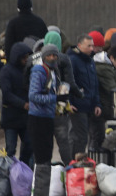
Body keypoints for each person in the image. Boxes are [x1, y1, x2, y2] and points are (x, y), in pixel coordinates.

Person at [41, 31, 82, 164]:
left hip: (41, 108)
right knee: (63, 141)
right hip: (60, 106)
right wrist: (79, 94)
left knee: (43, 142)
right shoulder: (63, 59)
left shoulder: (36, 60)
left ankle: (41, 169)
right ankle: (69, 169)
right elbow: (70, 82)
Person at [69, 34, 102, 159]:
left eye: (93, 46)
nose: (92, 49)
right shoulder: (73, 60)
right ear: (79, 46)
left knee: (86, 138)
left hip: (90, 106)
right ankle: (75, 165)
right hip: (78, 106)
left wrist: (97, 104)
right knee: (80, 138)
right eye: (89, 46)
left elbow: (94, 85)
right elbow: (69, 83)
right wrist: (69, 102)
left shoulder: (90, 62)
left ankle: (80, 166)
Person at [0, 42, 33, 166]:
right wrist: (23, 104)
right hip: (11, 117)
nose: (26, 59)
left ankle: (23, 169)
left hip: (25, 117)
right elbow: (7, 94)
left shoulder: (27, 70)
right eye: (24, 57)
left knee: (29, 145)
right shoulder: (6, 71)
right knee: (10, 149)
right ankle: (9, 174)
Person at [27, 44, 61, 165]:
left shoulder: (53, 72)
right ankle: (41, 183)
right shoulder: (39, 72)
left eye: (54, 55)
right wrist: (54, 98)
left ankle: (44, 183)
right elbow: (33, 96)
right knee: (42, 158)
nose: (52, 58)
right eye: (49, 55)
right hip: (38, 118)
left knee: (47, 156)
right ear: (44, 57)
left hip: (48, 117)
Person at [93, 45, 116, 150]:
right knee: (98, 137)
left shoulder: (105, 66)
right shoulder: (105, 69)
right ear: (112, 58)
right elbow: (113, 89)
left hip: (102, 105)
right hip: (103, 107)